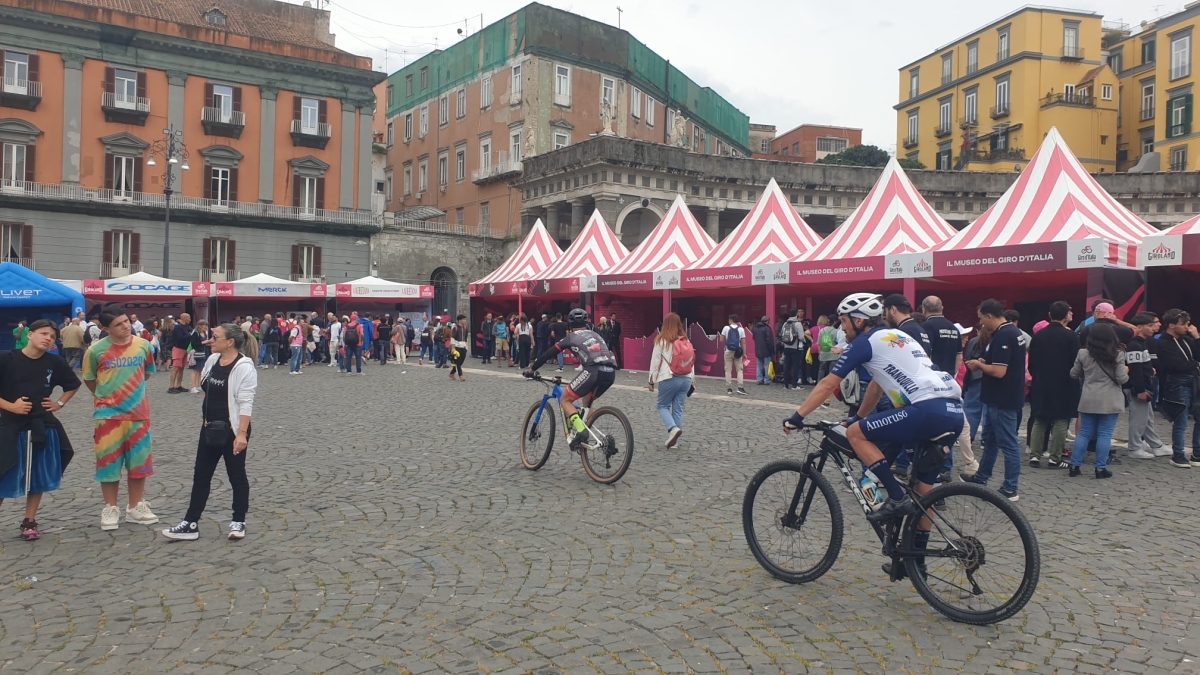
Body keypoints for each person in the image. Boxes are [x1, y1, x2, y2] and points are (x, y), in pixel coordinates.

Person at [783, 292, 963, 579]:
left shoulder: (865, 342)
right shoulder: (897, 336)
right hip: (953, 411)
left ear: (859, 320)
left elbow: (828, 383)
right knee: (923, 493)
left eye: (844, 321)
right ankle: (914, 562)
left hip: (925, 410)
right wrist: (860, 415)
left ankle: (895, 497)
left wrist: (798, 416)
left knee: (856, 434)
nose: (842, 328)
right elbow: (879, 385)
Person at [162, 323, 257, 541]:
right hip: (209, 427)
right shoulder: (213, 360)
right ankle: (190, 522)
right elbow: (207, 390)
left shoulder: (244, 367)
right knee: (201, 476)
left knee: (236, 475)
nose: (210, 341)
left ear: (230, 342)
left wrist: (241, 434)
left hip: (233, 429)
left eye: (215, 337)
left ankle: (239, 521)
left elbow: (246, 402)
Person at [0, 320, 81, 541]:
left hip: (42, 425)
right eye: (44, 333)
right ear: (30, 334)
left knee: (38, 474)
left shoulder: (55, 362)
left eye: (52, 337)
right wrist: (11, 407)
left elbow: (73, 384)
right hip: (10, 425)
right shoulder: (6, 359)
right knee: (3, 471)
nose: (48, 338)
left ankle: (29, 521)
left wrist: (59, 403)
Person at [82, 309, 159, 530]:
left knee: (139, 463)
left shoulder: (144, 345)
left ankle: (135, 507)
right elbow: (89, 379)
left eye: (126, 321)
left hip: (138, 413)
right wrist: (107, 396)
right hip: (108, 415)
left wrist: (131, 392)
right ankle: (110, 508)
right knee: (108, 463)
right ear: (106, 329)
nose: (126, 326)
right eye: (118, 324)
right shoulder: (95, 350)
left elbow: (147, 372)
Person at [523, 309, 616, 450]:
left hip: (593, 371)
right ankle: (588, 433)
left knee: (565, 399)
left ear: (570, 325)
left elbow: (548, 354)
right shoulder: (595, 334)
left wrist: (532, 370)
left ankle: (581, 431)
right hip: (610, 372)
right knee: (587, 400)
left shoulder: (571, 337)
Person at [962, 300, 1026, 502]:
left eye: (981, 318)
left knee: (1008, 443)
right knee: (991, 440)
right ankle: (982, 477)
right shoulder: (1012, 332)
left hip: (1002, 399)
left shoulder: (1004, 335)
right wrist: (985, 361)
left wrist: (978, 365)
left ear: (989, 316)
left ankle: (1010, 488)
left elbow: (999, 371)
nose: (980, 322)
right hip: (999, 397)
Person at [1068, 323, 1129, 478]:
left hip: (1088, 397)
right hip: (1110, 399)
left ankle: (1074, 466)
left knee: (1084, 433)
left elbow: (1074, 374)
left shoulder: (1083, 353)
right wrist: (1127, 370)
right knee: (1105, 434)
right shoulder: (1117, 354)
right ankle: (1100, 468)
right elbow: (1122, 378)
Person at [1027, 301, 1080, 470]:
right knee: (1061, 420)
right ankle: (1055, 458)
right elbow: (1076, 362)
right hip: (1065, 383)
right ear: (1065, 316)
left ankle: (1034, 455)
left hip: (1041, 382)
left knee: (1040, 419)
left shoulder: (1038, 336)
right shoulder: (1071, 336)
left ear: (1050, 315)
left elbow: (1031, 363)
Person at [1157, 308, 1200, 468]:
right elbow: (1174, 365)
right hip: (1178, 384)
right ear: (1172, 325)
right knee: (1181, 421)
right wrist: (1195, 365)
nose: (1187, 327)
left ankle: (1197, 453)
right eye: (1184, 324)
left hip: (1194, 383)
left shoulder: (1187, 340)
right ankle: (1178, 454)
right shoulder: (1163, 342)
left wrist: (1197, 337)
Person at [1125, 313, 1169, 460]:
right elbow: (1135, 369)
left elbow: (1141, 366)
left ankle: (1156, 445)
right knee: (1139, 418)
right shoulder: (1134, 345)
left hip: (1144, 384)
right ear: (1139, 327)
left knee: (1147, 417)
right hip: (1138, 387)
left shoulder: (1142, 343)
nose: (1153, 328)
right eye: (1149, 326)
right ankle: (1135, 447)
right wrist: (1140, 389)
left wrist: (1149, 370)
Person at [648, 313, 694, 448]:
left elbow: (655, 361)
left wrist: (651, 380)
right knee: (678, 410)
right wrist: (692, 380)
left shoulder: (662, 340)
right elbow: (691, 362)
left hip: (669, 377)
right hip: (686, 379)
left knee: (662, 406)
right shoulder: (686, 340)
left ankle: (672, 429)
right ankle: (674, 443)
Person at [921, 296, 962, 376]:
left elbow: (926, 353)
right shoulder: (953, 327)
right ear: (942, 308)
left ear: (924, 310)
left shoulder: (927, 326)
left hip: (934, 376)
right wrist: (952, 375)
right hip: (949, 377)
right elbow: (959, 356)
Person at [721, 314, 747, 396]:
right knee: (739, 370)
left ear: (731, 320)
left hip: (728, 352)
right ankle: (740, 387)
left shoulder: (726, 328)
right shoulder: (741, 329)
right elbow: (743, 342)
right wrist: (744, 353)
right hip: (737, 352)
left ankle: (729, 388)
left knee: (728, 370)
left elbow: (721, 339)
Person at [168, 312, 192, 393]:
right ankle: (171, 387)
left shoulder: (186, 327)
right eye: (189, 318)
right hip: (178, 349)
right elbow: (179, 338)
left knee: (181, 368)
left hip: (185, 349)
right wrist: (190, 336)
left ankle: (178, 385)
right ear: (185, 318)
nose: (190, 320)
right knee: (176, 368)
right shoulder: (178, 327)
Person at [780, 310, 805, 389]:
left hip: (786, 347)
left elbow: (782, 334)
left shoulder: (785, 323)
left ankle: (785, 384)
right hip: (795, 347)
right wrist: (804, 341)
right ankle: (794, 384)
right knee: (795, 366)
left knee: (786, 366)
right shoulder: (798, 324)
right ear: (796, 314)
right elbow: (801, 337)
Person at [189, 319, 212, 393]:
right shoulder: (196, 333)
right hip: (198, 353)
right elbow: (194, 344)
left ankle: (199, 385)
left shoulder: (205, 333)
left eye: (206, 326)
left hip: (204, 352)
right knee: (195, 370)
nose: (206, 327)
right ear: (200, 326)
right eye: (204, 325)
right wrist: (205, 342)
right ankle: (193, 387)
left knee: (201, 370)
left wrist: (208, 343)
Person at [752, 316, 774, 385]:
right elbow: (769, 341)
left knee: (759, 365)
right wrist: (772, 351)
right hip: (766, 350)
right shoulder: (767, 329)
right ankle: (767, 380)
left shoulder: (755, 328)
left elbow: (754, 338)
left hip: (758, 349)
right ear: (767, 321)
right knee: (767, 365)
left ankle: (759, 379)